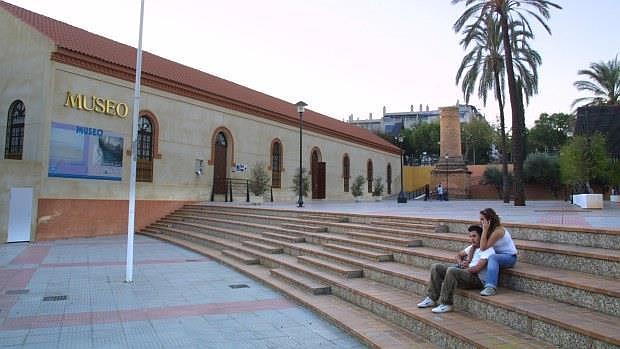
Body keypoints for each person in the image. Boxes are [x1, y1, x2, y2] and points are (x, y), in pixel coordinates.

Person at [416, 225, 495, 313]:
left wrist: (465, 267)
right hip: (466, 274)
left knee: (452, 270)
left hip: (477, 279)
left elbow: (477, 269)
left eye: (474, 236)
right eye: (470, 236)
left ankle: (446, 304)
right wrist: (461, 263)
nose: (472, 239)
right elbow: (458, 255)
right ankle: (431, 298)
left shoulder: (487, 250)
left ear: (481, 237)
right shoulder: (472, 248)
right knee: (436, 267)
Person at [478, 208, 518, 296]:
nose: (480, 222)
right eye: (480, 219)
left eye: (482, 219)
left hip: (510, 257)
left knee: (492, 258)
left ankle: (490, 287)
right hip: (499, 256)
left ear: (489, 220)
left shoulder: (498, 231)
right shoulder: (491, 229)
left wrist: (484, 230)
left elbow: (483, 247)